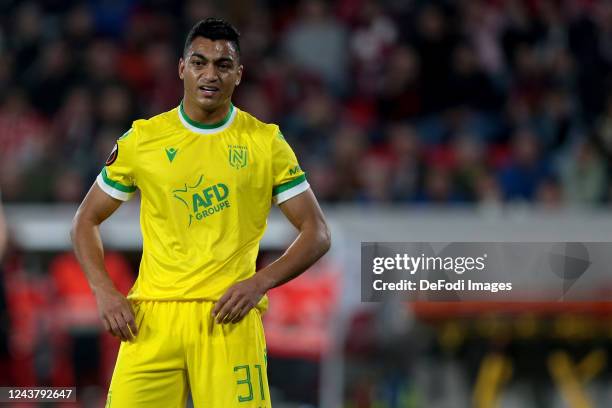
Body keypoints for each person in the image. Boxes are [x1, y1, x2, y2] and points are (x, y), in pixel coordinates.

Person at [71, 18, 330, 407]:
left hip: (229, 318)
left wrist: (259, 282)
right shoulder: (143, 140)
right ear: (182, 68)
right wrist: (105, 291)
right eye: (199, 62)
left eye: (223, 65)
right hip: (152, 320)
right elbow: (84, 222)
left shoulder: (265, 142)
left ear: (238, 74)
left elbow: (317, 233)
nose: (210, 74)